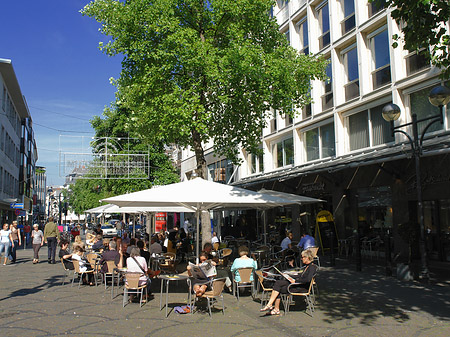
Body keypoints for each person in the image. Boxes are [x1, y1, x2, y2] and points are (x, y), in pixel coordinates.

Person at [260, 249, 317, 316]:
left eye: (302, 257)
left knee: (278, 288)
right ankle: (272, 306)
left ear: (307, 257)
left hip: (301, 287)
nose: (301, 259)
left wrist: (295, 281)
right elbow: (301, 275)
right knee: (278, 283)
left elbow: (307, 279)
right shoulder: (307, 266)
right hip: (298, 284)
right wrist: (289, 275)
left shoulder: (312, 267)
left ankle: (274, 308)